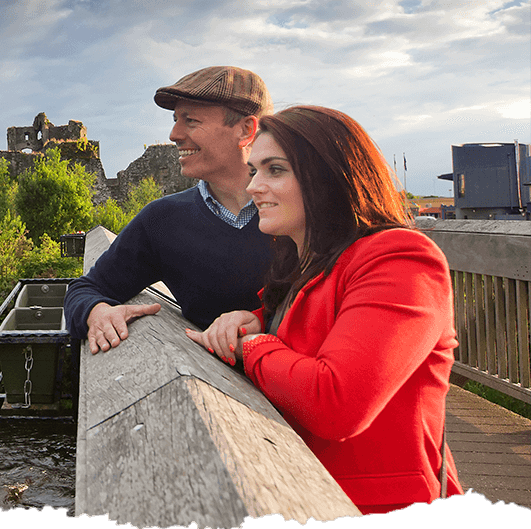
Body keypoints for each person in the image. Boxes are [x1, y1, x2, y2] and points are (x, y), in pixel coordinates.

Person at [186, 105, 462, 514]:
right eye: (254, 172)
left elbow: (337, 404)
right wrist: (254, 321)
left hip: (374, 503)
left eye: (275, 170)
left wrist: (253, 346)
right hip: (303, 490)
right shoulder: (306, 265)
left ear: (330, 178)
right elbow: (319, 328)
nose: (254, 188)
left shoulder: (400, 258)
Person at [65, 66, 273, 353]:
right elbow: (85, 290)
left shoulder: (306, 212)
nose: (174, 134)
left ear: (246, 130)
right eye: (176, 120)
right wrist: (96, 313)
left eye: (191, 121)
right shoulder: (163, 220)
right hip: (215, 391)